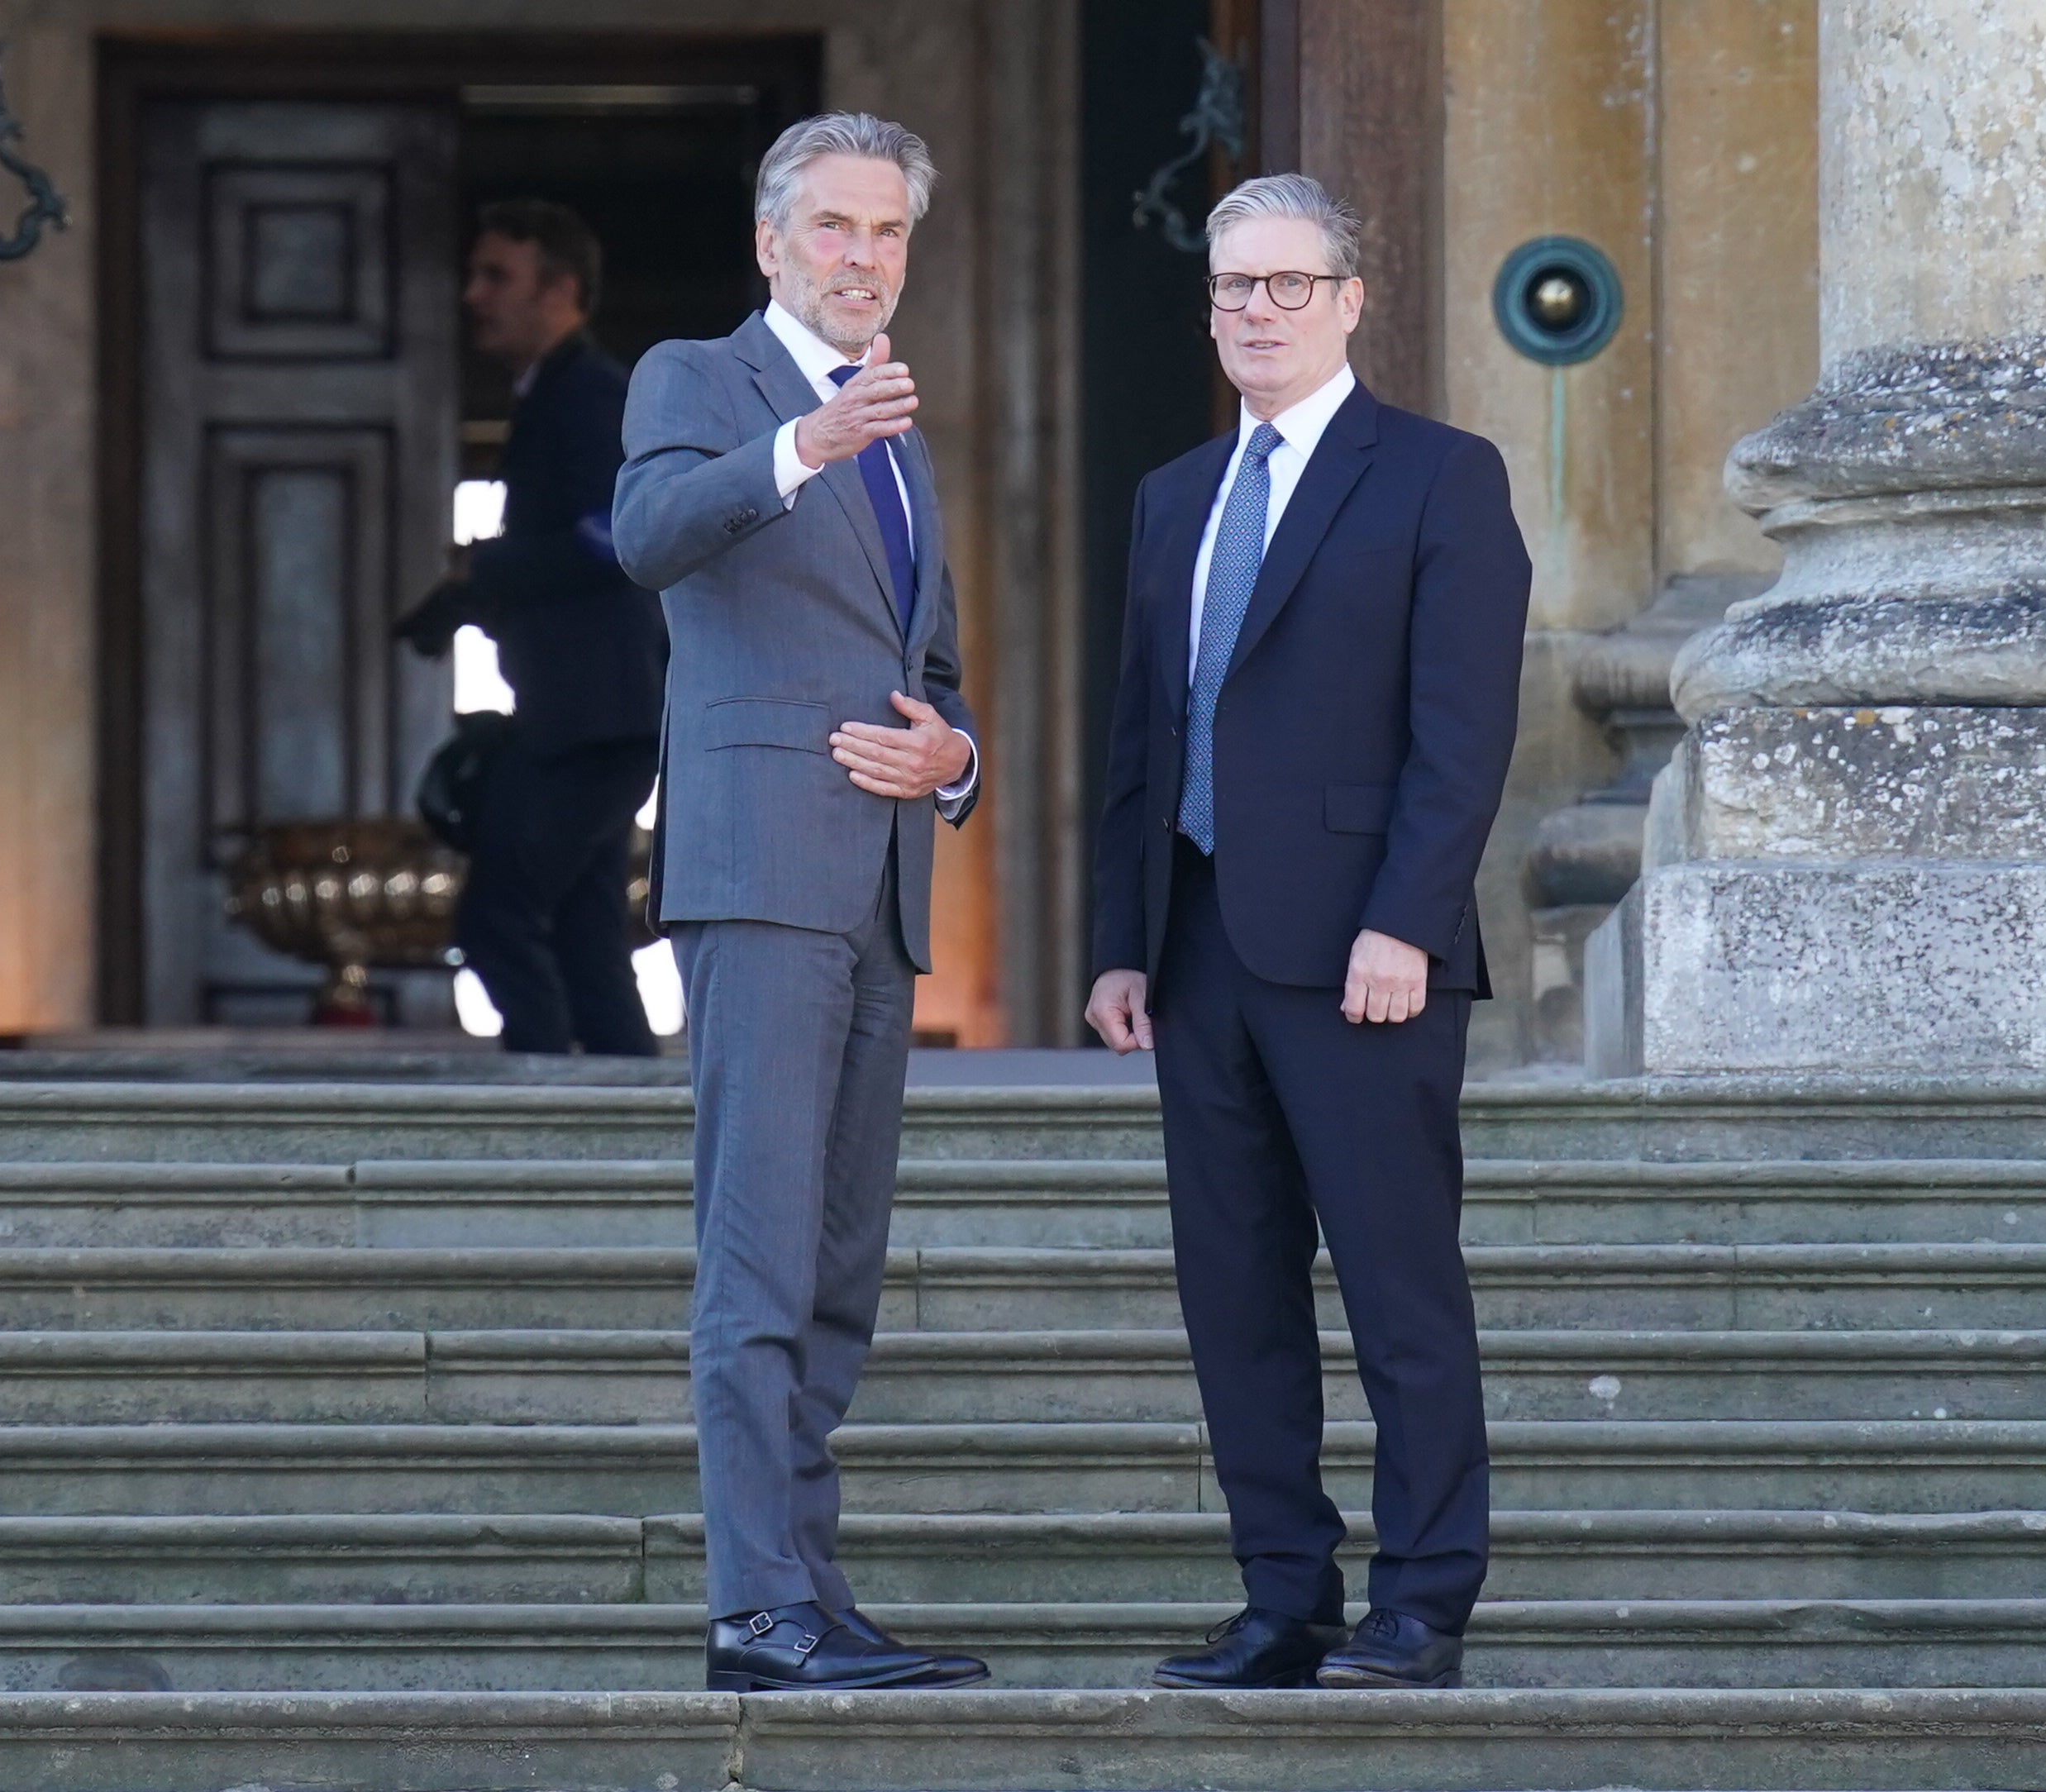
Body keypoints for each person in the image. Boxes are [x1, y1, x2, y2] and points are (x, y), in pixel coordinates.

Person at [1085, 173, 1532, 1691]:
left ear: (1349, 300)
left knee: (1399, 1287)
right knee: (1234, 1293)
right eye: (1232, 291)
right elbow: (1140, 738)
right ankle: (1283, 1593)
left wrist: (1405, 919)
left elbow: (1460, 734)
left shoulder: (1437, 475)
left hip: (1364, 954)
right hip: (1197, 945)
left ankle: (1423, 1601)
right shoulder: (1170, 495)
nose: (1255, 314)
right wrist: (1116, 940)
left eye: (1286, 286)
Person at [611, 113, 985, 1693]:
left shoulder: (897, 429)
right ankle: (752, 1610)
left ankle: (811, 1593)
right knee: (756, 1262)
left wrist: (954, 761)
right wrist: (803, 447)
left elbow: (934, 671)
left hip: (882, 888)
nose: (860, 258)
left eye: (886, 233)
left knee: (835, 1272)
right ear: (771, 244)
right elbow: (644, 537)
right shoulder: (700, 380)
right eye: (831, 228)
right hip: (760, 874)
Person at [399, 200, 668, 1056]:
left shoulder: (587, 394)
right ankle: (628, 1141)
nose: (473, 295)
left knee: (498, 922)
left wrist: (489, 570)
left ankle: (543, 1130)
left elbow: (616, 528)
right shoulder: (557, 392)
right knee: (585, 939)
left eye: (496, 276)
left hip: (589, 722)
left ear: (560, 291)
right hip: (591, 716)